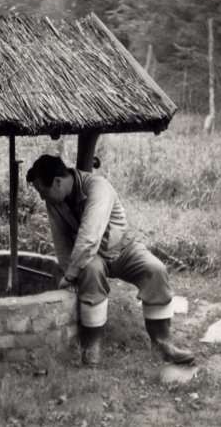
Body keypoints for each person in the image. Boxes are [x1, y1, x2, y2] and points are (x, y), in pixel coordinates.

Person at [26, 154, 195, 367]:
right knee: (90, 271)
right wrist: (69, 271)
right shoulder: (55, 200)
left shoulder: (98, 188)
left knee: (156, 270)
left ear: (58, 182)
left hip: (122, 249)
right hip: (95, 255)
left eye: (43, 191)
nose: (42, 198)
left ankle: (163, 344)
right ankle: (92, 347)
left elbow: (88, 237)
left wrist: (68, 277)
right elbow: (60, 240)